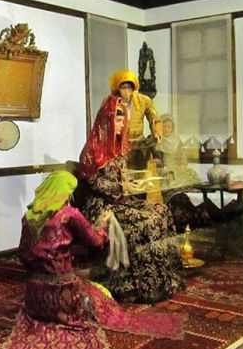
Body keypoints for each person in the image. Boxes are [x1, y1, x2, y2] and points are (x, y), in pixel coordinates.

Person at [0, 171, 185, 349]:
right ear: (66, 192)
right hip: (63, 295)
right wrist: (102, 225)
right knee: (100, 298)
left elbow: (24, 254)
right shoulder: (69, 214)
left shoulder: (28, 217)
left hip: (34, 298)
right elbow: (95, 243)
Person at [79, 95, 185, 303]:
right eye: (117, 120)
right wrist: (124, 187)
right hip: (101, 206)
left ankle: (164, 277)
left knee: (162, 210)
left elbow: (121, 179)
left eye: (123, 120)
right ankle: (142, 284)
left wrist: (132, 185)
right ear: (107, 120)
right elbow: (95, 184)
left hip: (119, 200)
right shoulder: (93, 149)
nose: (122, 125)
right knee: (149, 221)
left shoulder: (119, 147)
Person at [109, 69, 162, 142]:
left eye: (129, 87)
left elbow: (155, 118)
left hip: (138, 141)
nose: (126, 91)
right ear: (118, 89)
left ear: (133, 88)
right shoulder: (110, 102)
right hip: (118, 142)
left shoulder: (143, 100)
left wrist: (157, 133)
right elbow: (103, 123)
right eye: (123, 88)